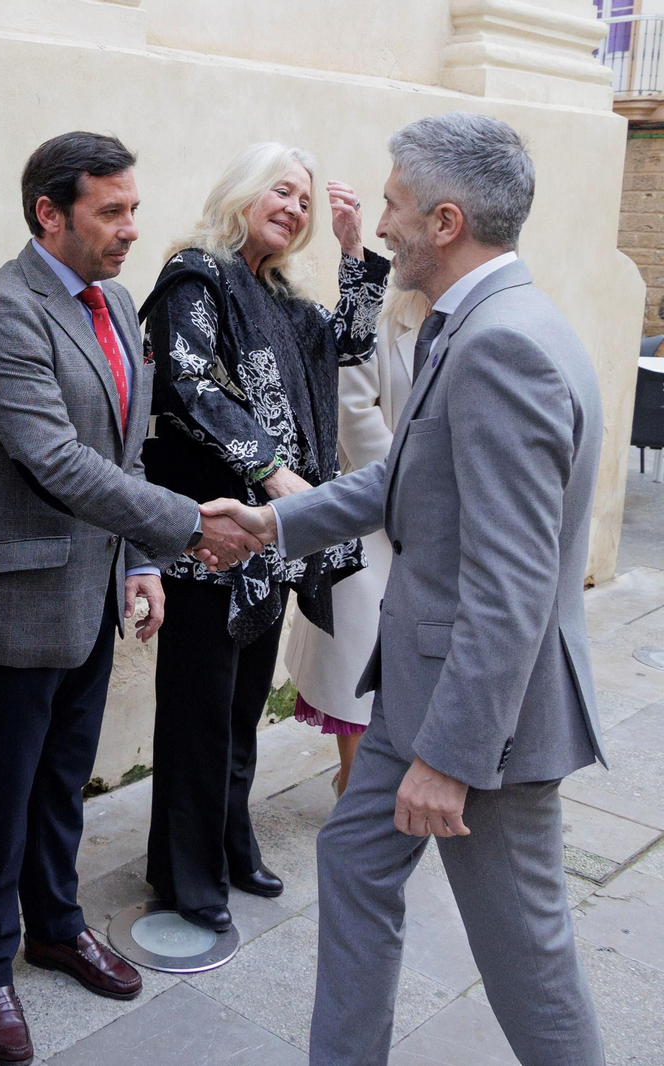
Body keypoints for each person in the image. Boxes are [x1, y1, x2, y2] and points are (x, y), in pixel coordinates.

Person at [207, 111, 607, 1065]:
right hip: (418, 684)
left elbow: (510, 585)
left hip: (484, 718)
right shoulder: (472, 323)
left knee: (525, 954)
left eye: (393, 205)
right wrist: (272, 523)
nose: (378, 225)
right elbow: (403, 481)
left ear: (445, 221)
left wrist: (452, 759)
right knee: (353, 860)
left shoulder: (503, 347)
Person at [0, 131, 262, 1066]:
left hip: (92, 592)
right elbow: (59, 461)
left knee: (62, 782)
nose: (130, 229)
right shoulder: (3, 312)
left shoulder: (113, 301)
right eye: (110, 211)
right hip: (11, 598)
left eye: (133, 209)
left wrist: (141, 563)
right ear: (50, 213)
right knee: (1, 796)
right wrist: (189, 525)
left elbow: (123, 452)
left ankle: (55, 927)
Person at [138, 142, 387, 933]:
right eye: (282, 191)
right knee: (198, 713)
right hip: (212, 538)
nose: (294, 208)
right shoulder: (194, 277)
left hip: (269, 548)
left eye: (304, 201)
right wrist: (273, 470)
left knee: (242, 708)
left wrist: (353, 251)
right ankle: (184, 872)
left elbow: (351, 344)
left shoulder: (284, 300)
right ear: (243, 192)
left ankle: (228, 840)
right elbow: (186, 383)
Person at [284, 285, 427, 796]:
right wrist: (412, 488)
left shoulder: (480, 323)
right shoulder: (384, 318)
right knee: (355, 664)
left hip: (444, 529)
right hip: (374, 514)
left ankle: (377, 783)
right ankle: (354, 785)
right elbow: (353, 409)